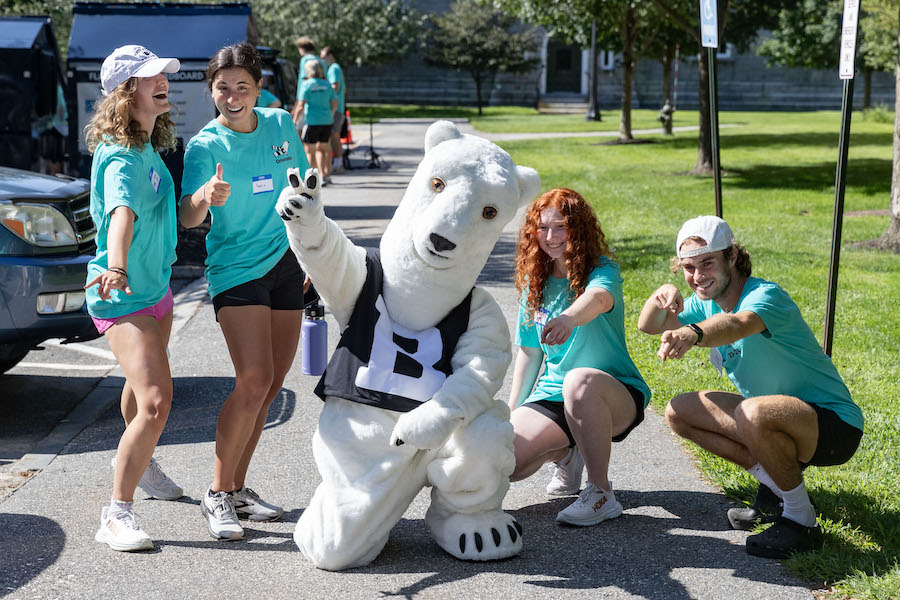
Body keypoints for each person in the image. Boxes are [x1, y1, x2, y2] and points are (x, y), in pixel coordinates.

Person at [637, 215, 864, 558]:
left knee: (752, 410)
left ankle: (802, 521)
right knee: (679, 411)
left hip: (834, 424)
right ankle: (781, 492)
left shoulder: (766, 295)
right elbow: (648, 326)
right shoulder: (705, 303)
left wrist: (693, 332)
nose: (697, 276)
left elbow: (735, 324)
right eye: (688, 267)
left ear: (732, 257)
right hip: (771, 419)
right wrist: (659, 298)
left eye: (707, 263)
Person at [180, 43, 311, 541]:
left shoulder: (279, 125)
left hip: (286, 263)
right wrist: (202, 197)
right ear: (211, 90)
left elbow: (303, 189)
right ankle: (215, 495)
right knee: (253, 381)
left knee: (273, 385)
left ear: (258, 89)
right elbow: (187, 217)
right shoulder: (204, 146)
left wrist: (313, 255)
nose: (232, 96)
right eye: (222, 87)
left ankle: (236, 488)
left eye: (242, 87)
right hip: (236, 268)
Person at [84, 44, 184, 552]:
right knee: (156, 401)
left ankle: (142, 463)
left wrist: (202, 200)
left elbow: (169, 214)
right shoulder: (123, 156)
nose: (163, 81)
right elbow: (121, 213)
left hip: (155, 288)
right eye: (150, 78)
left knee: (140, 390)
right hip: (122, 293)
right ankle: (115, 515)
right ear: (126, 93)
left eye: (163, 75)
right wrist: (117, 265)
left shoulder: (146, 146)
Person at [507, 188, 651, 527]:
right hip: (554, 393)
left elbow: (599, 299)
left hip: (612, 393)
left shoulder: (602, 269)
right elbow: (529, 353)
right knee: (505, 463)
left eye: (561, 227)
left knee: (579, 380)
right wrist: (510, 413)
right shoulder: (536, 280)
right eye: (542, 228)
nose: (551, 237)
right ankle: (568, 453)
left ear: (579, 228)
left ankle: (600, 492)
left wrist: (569, 319)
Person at [295, 60, 336, 185]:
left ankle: (313, 178)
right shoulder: (327, 84)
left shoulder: (307, 84)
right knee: (324, 149)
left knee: (310, 151)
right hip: (327, 120)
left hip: (312, 121)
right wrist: (330, 115)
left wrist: (294, 120)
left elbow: (301, 105)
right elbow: (334, 103)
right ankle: (326, 175)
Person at [290, 37, 327, 130]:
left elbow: (304, 81)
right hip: (323, 104)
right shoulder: (321, 61)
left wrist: (298, 103)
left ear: (301, 48)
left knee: (298, 128)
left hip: (306, 102)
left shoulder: (305, 60)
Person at [320, 47, 346, 173]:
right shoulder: (334, 68)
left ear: (331, 56)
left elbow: (335, 87)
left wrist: (324, 93)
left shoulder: (334, 68)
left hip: (335, 108)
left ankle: (338, 163)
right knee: (334, 135)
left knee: (334, 135)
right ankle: (337, 162)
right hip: (338, 107)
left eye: (324, 57)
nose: (322, 60)